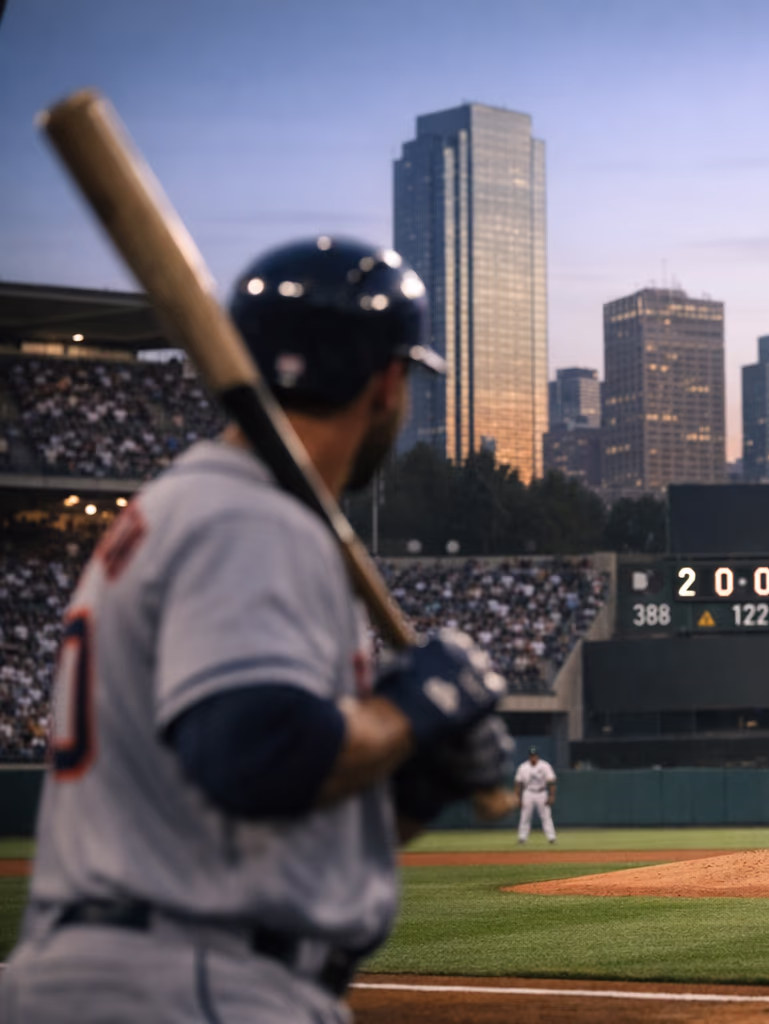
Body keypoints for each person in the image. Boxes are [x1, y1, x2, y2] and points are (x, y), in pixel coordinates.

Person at [0, 237, 510, 1024]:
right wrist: (416, 707)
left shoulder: (201, 505)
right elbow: (257, 753)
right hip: (186, 982)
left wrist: (412, 776)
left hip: (149, 968)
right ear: (387, 383)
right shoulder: (250, 515)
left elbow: (265, 810)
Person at [515, 746, 558, 844]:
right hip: (528, 792)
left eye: (534, 755)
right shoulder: (523, 767)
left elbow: (551, 781)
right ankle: (522, 837)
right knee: (525, 816)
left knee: (546, 816)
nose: (533, 757)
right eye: (531, 755)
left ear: (537, 756)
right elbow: (518, 783)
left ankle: (551, 837)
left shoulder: (544, 766)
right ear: (529, 756)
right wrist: (518, 798)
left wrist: (551, 796)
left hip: (541, 792)